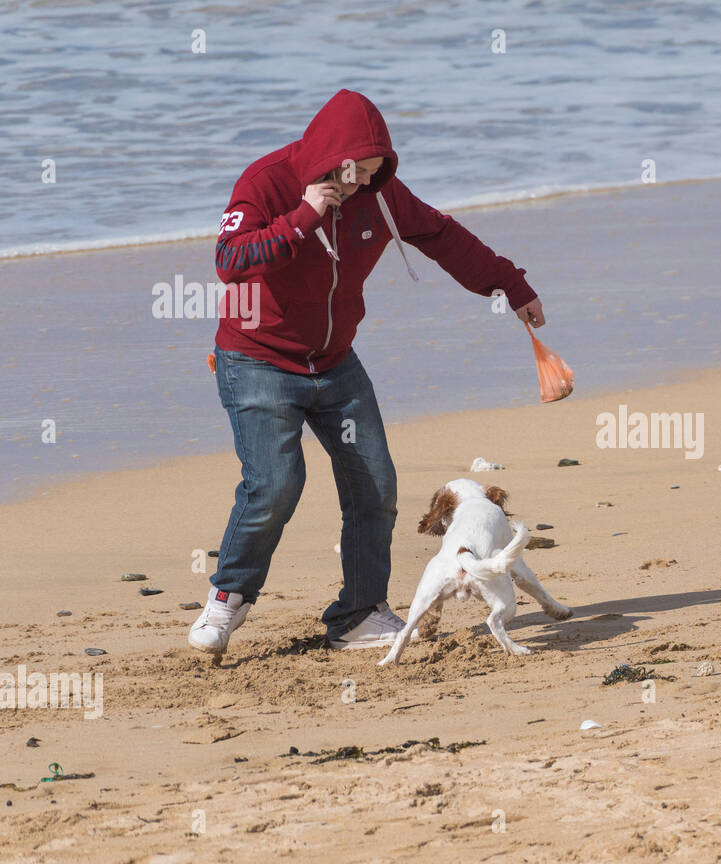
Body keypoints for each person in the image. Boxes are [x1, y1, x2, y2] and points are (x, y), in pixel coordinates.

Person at [189, 89, 545, 658]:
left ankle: (358, 614)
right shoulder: (267, 182)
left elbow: (443, 237)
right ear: (329, 155)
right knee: (275, 485)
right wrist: (304, 216)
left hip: (333, 363)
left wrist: (509, 284)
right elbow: (230, 261)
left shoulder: (380, 193)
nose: (359, 187)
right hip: (257, 359)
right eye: (353, 174)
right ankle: (228, 598)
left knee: (375, 486)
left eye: (373, 175)